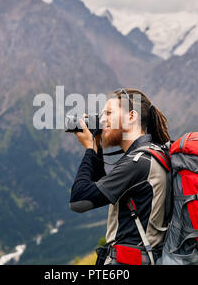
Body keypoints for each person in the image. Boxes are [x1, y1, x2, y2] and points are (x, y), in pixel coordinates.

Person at [69, 88, 171, 265]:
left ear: (131, 117)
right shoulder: (152, 154)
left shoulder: (137, 162)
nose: (102, 120)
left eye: (108, 113)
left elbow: (79, 201)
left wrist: (88, 148)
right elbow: (102, 186)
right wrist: (97, 145)